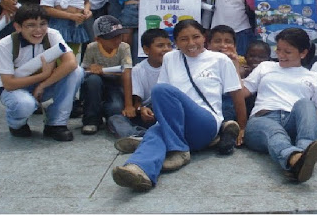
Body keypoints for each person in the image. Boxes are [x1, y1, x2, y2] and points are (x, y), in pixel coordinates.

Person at [112, 20, 246, 191]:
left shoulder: (220, 60)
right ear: (175, 42)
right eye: (184, 39)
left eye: (196, 37)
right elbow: (164, 98)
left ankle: (178, 150)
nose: (191, 43)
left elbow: (237, 94)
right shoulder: (170, 58)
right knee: (157, 131)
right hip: (177, 127)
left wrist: (242, 126)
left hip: (205, 123)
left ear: (204, 37)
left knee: (160, 93)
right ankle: (139, 170)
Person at [242, 28, 317, 182]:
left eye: (287, 52)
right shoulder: (265, 67)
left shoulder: (314, 77)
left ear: (303, 53)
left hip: (293, 123)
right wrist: (231, 66)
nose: (281, 55)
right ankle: (295, 158)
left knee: (306, 103)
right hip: (262, 121)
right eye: (278, 50)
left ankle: (304, 152)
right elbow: (242, 92)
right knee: (274, 130)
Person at [0, 4, 83, 141]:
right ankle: (16, 124)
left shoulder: (52, 35)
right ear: (18, 27)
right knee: (24, 105)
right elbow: (8, 84)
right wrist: (42, 76)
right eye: (31, 25)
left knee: (77, 72)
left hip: (43, 86)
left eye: (43, 24)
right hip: (16, 88)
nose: (38, 30)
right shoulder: (6, 44)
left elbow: (71, 63)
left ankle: (56, 122)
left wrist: (43, 84)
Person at [109, 28, 173, 153]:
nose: (166, 49)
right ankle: (139, 136)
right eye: (160, 46)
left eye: (169, 45)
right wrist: (141, 109)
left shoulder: (175, 65)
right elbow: (137, 101)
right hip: (147, 112)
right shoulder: (139, 69)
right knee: (115, 119)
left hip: (166, 110)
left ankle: (151, 136)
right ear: (146, 50)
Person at [80, 15, 133, 135]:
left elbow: (126, 73)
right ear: (98, 39)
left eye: (119, 36)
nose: (117, 40)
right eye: (112, 38)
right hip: (96, 83)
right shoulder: (91, 47)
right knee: (93, 80)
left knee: (116, 108)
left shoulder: (124, 47)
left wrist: (129, 105)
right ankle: (91, 120)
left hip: (115, 83)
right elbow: (85, 69)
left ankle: (107, 114)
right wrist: (91, 68)